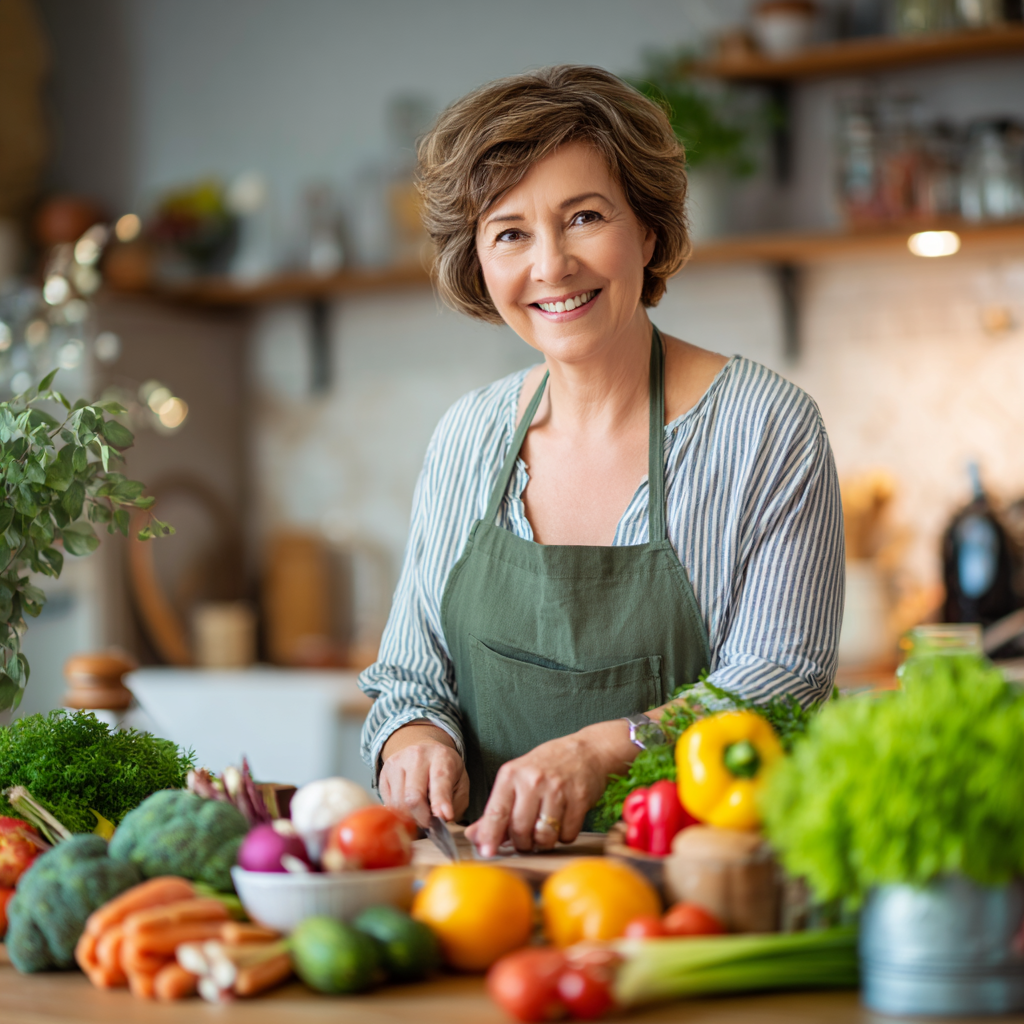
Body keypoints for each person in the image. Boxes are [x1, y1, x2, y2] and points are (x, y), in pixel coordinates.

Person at [359, 65, 844, 858]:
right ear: (479, 262)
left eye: (583, 217)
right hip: (484, 898)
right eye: (510, 232)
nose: (550, 265)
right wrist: (412, 740)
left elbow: (784, 679)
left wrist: (605, 748)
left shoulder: (765, 427)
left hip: (695, 896)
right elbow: (410, 675)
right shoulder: (466, 436)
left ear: (648, 231)